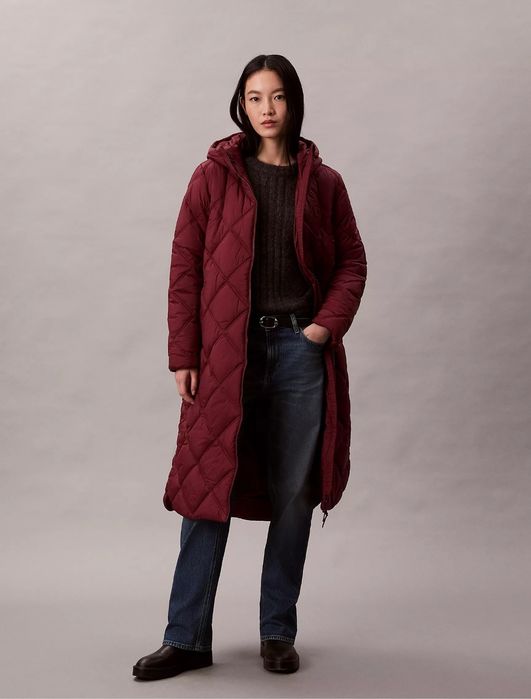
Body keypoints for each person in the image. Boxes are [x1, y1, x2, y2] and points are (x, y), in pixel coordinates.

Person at [133, 54, 367, 680]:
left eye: (278, 96)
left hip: (298, 352)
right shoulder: (212, 177)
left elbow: (352, 261)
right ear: (241, 104)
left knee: (294, 494)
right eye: (255, 97)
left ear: (294, 102)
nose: (267, 108)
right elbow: (185, 267)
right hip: (225, 353)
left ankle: (277, 632)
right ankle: (186, 638)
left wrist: (322, 328)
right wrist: (184, 353)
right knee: (206, 490)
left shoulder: (324, 183)